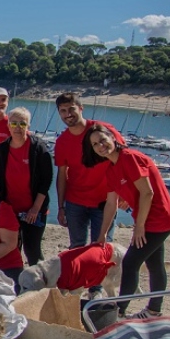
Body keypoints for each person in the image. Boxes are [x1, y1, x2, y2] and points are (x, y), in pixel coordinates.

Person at [83, 124, 170, 318]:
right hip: (146, 220)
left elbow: (147, 193)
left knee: (130, 263)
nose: (101, 146)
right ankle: (154, 310)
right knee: (155, 265)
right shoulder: (111, 170)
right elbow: (111, 204)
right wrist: (101, 235)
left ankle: (119, 312)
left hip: (159, 219)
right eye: (95, 144)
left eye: (103, 140)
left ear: (113, 138)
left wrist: (140, 226)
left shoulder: (130, 158)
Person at [54, 92, 124, 247]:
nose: (68, 114)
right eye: (63, 111)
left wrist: (125, 193)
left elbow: (124, 160)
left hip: (105, 201)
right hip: (75, 202)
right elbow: (62, 175)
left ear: (81, 108)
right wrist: (60, 206)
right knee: (76, 247)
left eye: (71, 109)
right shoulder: (62, 142)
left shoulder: (103, 130)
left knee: (101, 247)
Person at [0, 107, 53, 266]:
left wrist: (35, 208)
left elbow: (46, 181)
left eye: (22, 124)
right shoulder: (2, 149)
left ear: (28, 126)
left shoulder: (38, 148)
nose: (18, 127)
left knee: (32, 249)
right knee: (11, 249)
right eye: (14, 123)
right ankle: (15, 282)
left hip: (34, 209)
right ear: (8, 125)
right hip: (10, 209)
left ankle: (40, 283)